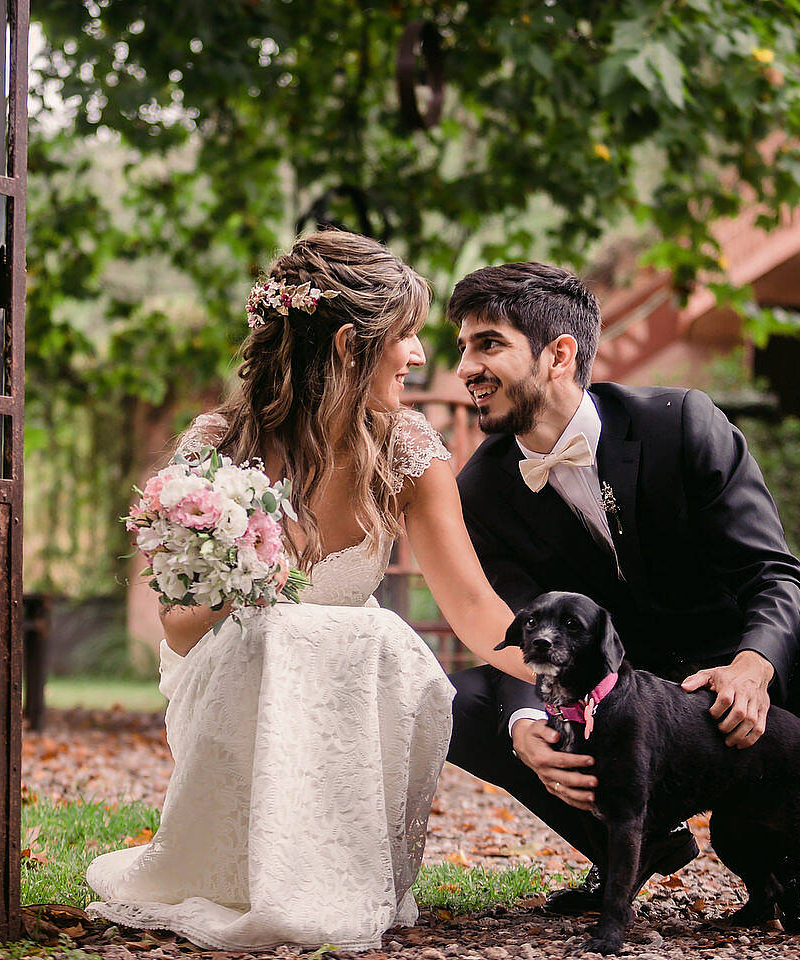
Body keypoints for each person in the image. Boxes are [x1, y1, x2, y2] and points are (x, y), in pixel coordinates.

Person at [84, 229, 535, 952]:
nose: (421, 356)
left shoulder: (408, 450)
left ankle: (341, 866)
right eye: (408, 336)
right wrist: (249, 576)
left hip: (347, 708)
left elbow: (477, 614)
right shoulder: (218, 448)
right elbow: (179, 628)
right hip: (231, 685)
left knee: (383, 636)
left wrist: (581, 683)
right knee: (298, 631)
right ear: (351, 345)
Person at [444, 262, 800, 932]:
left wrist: (753, 666)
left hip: (740, 678)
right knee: (464, 700)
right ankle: (623, 845)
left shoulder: (681, 423)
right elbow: (523, 629)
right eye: (464, 347)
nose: (466, 367)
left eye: (487, 344)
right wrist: (526, 730)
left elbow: (774, 574)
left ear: (559, 356)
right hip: (619, 698)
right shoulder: (482, 490)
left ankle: (785, 841)